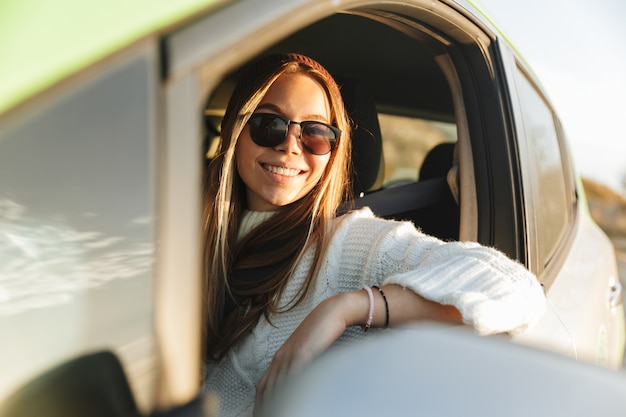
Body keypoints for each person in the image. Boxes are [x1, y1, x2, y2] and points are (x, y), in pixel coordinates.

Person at [201, 53, 546, 417]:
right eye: (269, 124)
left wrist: (344, 309)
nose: (289, 146)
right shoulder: (184, 227)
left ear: (333, 150)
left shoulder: (346, 243)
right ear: (234, 131)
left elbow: (514, 287)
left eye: (315, 133)